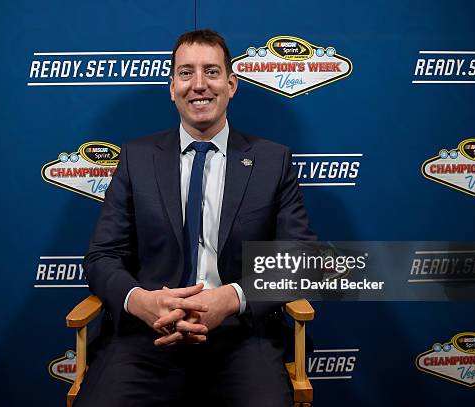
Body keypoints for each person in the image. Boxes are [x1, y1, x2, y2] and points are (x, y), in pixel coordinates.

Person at [75, 29, 315, 407]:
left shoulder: (273, 160)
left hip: (241, 339)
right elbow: (102, 257)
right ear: (172, 87)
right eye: (186, 73)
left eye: (211, 72)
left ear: (232, 84)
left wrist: (231, 298)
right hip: (146, 340)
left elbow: (300, 257)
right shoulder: (137, 158)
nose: (199, 85)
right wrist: (142, 302)